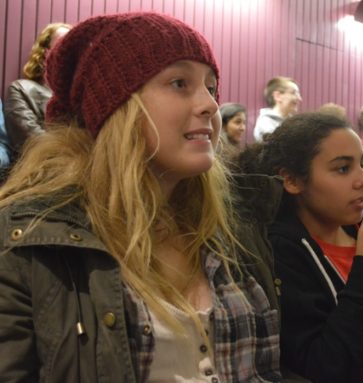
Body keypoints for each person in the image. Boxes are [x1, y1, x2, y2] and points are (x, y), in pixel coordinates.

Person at [0, 13, 281, 382]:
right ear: (115, 106)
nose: (211, 105)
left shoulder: (236, 227)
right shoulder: (29, 242)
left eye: (211, 88)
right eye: (179, 83)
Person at [240, 112, 363, 382]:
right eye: (343, 169)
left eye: (362, 165)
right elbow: (329, 367)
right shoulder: (281, 253)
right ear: (293, 181)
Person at [4, 22, 71, 155]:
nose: (67, 52)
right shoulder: (21, 89)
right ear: (44, 52)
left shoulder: (80, 97)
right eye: (61, 44)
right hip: (45, 167)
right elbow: (31, 141)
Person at [253, 76, 301, 142]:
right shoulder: (266, 124)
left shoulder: (293, 122)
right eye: (293, 93)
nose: (299, 98)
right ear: (277, 96)